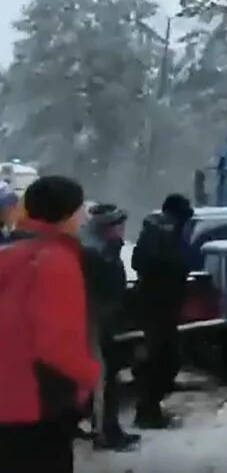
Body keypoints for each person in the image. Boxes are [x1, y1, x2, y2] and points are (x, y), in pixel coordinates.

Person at [0, 176, 99, 473]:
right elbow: (56, 345)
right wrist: (89, 377)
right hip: (37, 407)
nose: (83, 217)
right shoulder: (56, 261)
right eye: (79, 210)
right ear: (66, 215)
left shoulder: (13, 255)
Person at [131, 194, 194, 429]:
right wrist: (171, 265)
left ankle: (151, 407)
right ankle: (147, 410)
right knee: (158, 360)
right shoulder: (155, 234)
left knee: (167, 359)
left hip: (166, 306)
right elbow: (141, 262)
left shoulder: (172, 234)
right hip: (154, 306)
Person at [81, 204, 141, 451]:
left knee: (109, 379)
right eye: (118, 225)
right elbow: (97, 291)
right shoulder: (95, 252)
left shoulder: (106, 249)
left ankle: (109, 427)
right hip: (96, 323)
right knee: (102, 381)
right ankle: (105, 433)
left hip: (106, 321)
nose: (122, 229)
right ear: (107, 227)